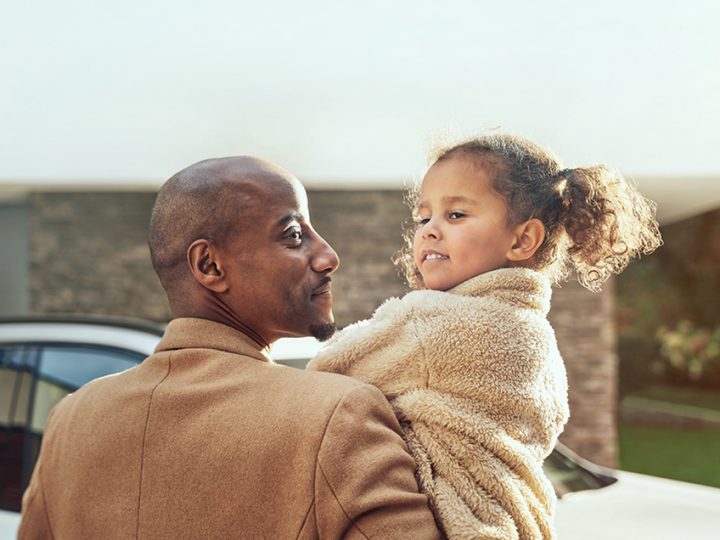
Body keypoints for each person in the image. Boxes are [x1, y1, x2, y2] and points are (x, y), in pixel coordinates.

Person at [18, 156, 441, 539]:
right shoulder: (338, 417)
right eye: (294, 235)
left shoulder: (71, 421)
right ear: (209, 266)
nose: (328, 255)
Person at [308, 134, 663, 539]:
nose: (429, 231)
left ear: (522, 239)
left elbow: (326, 373)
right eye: (423, 219)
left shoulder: (433, 323)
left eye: (455, 215)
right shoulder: (535, 336)